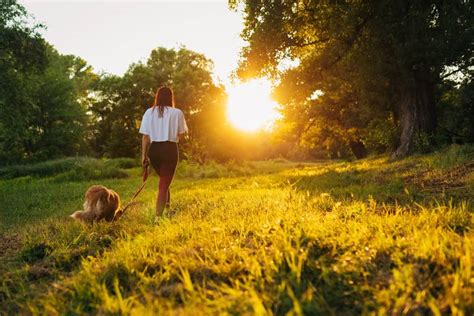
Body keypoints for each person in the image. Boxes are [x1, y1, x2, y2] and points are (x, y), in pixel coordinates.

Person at [139, 86, 188, 222]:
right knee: (163, 184)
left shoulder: (149, 112)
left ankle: (168, 208)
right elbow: (182, 135)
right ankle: (158, 218)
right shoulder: (177, 112)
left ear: (157, 97)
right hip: (169, 149)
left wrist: (144, 155)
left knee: (164, 182)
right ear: (171, 97)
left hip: (154, 150)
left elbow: (145, 137)